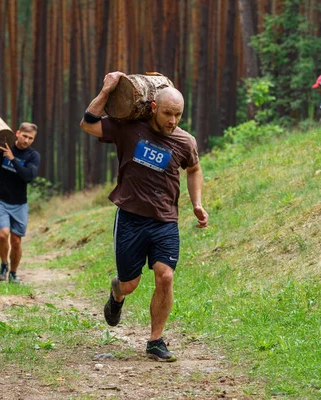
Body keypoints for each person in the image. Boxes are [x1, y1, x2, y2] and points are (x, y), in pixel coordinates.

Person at [80, 71, 209, 362]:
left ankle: (156, 341)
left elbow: (194, 169)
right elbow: (87, 125)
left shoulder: (184, 142)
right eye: (167, 113)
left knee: (165, 276)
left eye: (177, 115)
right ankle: (117, 294)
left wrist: (197, 203)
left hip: (164, 221)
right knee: (130, 284)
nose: (172, 121)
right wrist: (107, 89)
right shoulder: (128, 129)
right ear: (153, 107)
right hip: (130, 217)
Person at [0, 121, 40, 284]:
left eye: (30, 138)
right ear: (17, 133)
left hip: (20, 204)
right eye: (24, 136)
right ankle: (4, 264)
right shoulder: (5, 145)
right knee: (3, 234)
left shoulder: (33, 156)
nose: (26, 141)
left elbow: (28, 176)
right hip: (1, 201)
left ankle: (13, 273)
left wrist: (12, 159)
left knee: (16, 241)